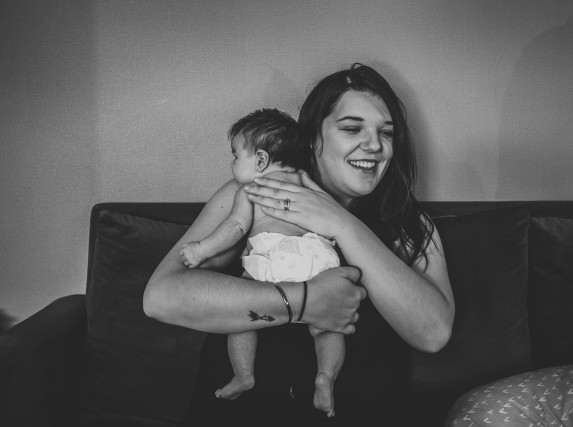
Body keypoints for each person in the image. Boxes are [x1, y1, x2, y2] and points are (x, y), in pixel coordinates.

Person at [143, 63, 455, 426]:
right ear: (311, 138)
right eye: (352, 128)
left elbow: (433, 334)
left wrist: (341, 223)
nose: (375, 145)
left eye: (386, 132)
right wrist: (304, 300)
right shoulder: (261, 192)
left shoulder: (408, 223)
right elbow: (161, 298)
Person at [178, 108, 345, 417]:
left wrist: (201, 249)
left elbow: (235, 227)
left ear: (261, 160)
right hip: (317, 257)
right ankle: (325, 376)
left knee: (241, 315)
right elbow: (332, 211)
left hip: (275, 257)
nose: (232, 164)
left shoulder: (251, 190)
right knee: (327, 328)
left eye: (235, 156)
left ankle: (244, 374)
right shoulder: (303, 180)